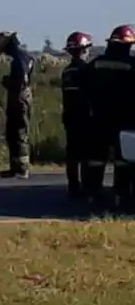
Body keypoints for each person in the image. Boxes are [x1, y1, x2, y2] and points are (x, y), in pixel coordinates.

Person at [82, 24, 135, 210]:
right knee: (124, 160)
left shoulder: (96, 63)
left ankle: (94, 194)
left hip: (98, 117)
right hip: (124, 119)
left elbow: (84, 87)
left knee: (96, 158)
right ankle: (122, 194)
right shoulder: (132, 64)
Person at [0, 31, 35, 179]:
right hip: (18, 96)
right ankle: (15, 167)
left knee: (19, 132)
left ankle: (23, 168)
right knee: (12, 132)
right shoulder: (22, 57)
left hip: (20, 97)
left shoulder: (19, 58)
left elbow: (21, 81)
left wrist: (7, 82)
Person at [61, 31, 92, 199]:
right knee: (86, 153)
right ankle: (87, 186)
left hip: (69, 115)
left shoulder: (66, 71)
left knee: (72, 153)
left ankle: (73, 185)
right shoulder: (86, 70)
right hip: (84, 116)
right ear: (83, 50)